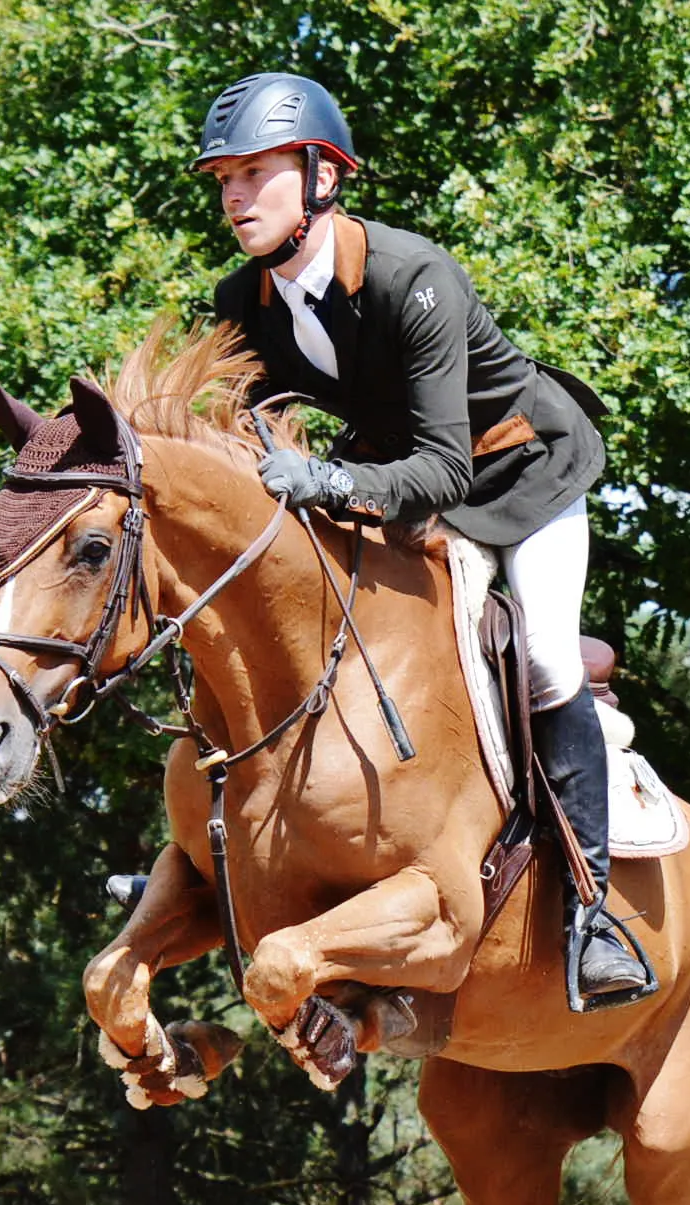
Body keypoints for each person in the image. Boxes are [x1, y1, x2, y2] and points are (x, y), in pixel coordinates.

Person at [194, 71, 654, 1011]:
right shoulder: (241, 301)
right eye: (224, 180)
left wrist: (325, 480)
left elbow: (444, 468)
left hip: (518, 478)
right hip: (388, 485)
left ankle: (594, 916)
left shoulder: (414, 275)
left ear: (323, 174)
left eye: (255, 173)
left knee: (546, 662)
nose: (235, 196)